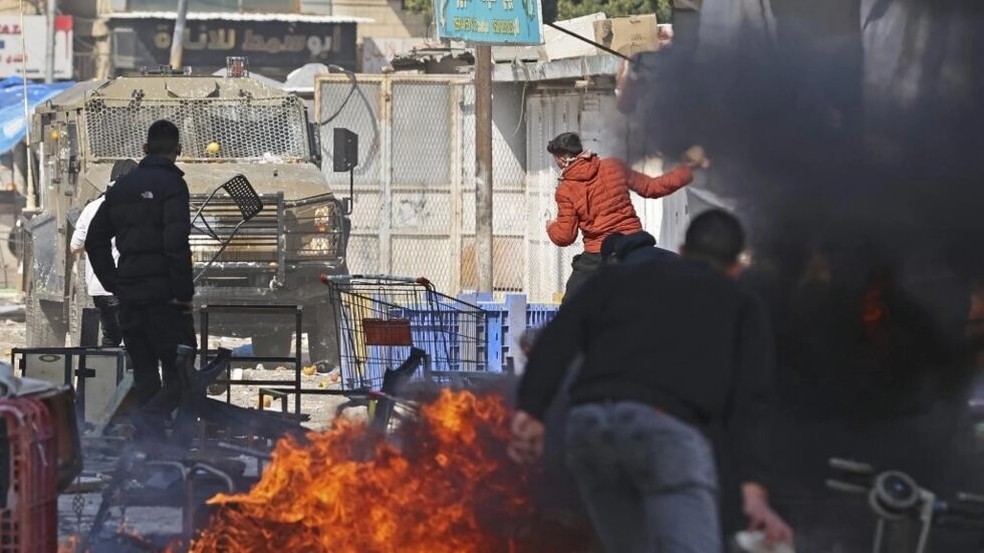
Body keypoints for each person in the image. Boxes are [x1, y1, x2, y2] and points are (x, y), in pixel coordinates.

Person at [510, 209, 794, 553]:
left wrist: (531, 410)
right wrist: (753, 491)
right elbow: (751, 402)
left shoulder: (618, 279)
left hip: (588, 428)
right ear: (736, 267)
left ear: (683, 250)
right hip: (666, 428)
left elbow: (558, 338)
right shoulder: (742, 304)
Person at [85, 120, 197, 438]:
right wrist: (183, 293)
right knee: (182, 372)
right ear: (178, 150)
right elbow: (175, 243)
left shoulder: (121, 187)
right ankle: (151, 423)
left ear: (145, 149)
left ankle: (152, 451)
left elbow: (95, 239)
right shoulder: (174, 186)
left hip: (131, 298)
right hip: (165, 299)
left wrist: (114, 283)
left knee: (146, 373)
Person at [544, 132, 705, 300]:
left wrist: (550, 227)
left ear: (562, 159)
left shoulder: (566, 190)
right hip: (635, 243)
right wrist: (688, 171)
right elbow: (653, 188)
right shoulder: (613, 166)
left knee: (571, 305)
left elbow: (565, 236)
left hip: (597, 254)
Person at [69, 159, 138, 347]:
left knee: (111, 338)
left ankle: (108, 375)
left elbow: (75, 246)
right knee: (137, 339)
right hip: (130, 286)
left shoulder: (91, 208)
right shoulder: (142, 207)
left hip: (99, 288)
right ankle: (134, 374)